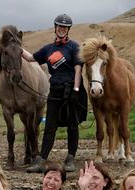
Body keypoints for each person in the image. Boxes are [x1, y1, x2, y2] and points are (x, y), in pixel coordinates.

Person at [22, 13, 87, 173]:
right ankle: (41, 159)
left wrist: (76, 90)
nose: (62, 29)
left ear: (68, 29)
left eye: (65, 27)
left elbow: (78, 69)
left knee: (72, 125)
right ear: (55, 28)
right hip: (55, 91)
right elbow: (31, 58)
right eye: (59, 26)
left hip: (71, 90)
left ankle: (70, 158)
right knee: (50, 126)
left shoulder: (74, 47)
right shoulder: (48, 49)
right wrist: (18, 47)